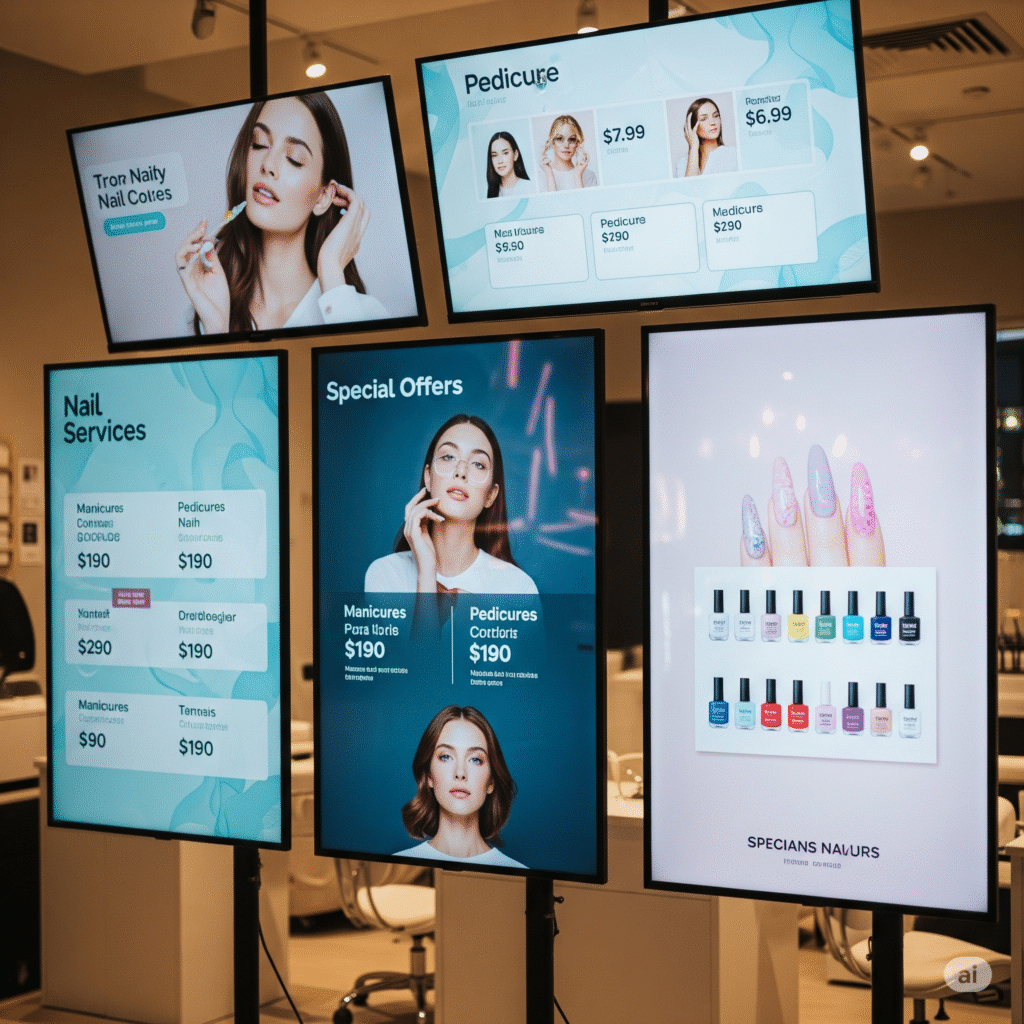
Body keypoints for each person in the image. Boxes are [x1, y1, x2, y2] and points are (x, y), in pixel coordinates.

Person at [175, 92, 387, 336]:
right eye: (259, 144)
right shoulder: (200, 316)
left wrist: (331, 268)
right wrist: (218, 328)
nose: (268, 164)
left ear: (323, 196)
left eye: (294, 159)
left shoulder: (363, 314)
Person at [364, 414, 538, 594]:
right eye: (448, 457)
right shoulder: (386, 574)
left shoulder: (518, 588)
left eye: (478, 464)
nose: (461, 471)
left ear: (491, 495)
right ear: (428, 477)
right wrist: (426, 572)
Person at [394, 705, 524, 868]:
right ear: (428, 776)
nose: (460, 773)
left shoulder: (518, 871)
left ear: (491, 782)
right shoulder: (398, 865)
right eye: (446, 757)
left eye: (475, 759)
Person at [676, 98, 738, 177]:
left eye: (716, 116)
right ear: (693, 126)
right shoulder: (683, 164)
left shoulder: (733, 154)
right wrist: (693, 146)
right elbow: (689, 184)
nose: (712, 122)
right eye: (703, 119)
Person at [538, 115, 597, 191]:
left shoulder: (589, 176)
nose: (566, 145)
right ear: (552, 142)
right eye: (560, 139)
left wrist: (578, 176)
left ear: (577, 143)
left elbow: (584, 199)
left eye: (571, 139)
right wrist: (549, 174)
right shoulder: (540, 177)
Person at [486, 131, 535, 198]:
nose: (500, 161)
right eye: (494, 155)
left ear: (515, 155)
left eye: (505, 153)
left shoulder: (531, 188)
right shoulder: (488, 193)